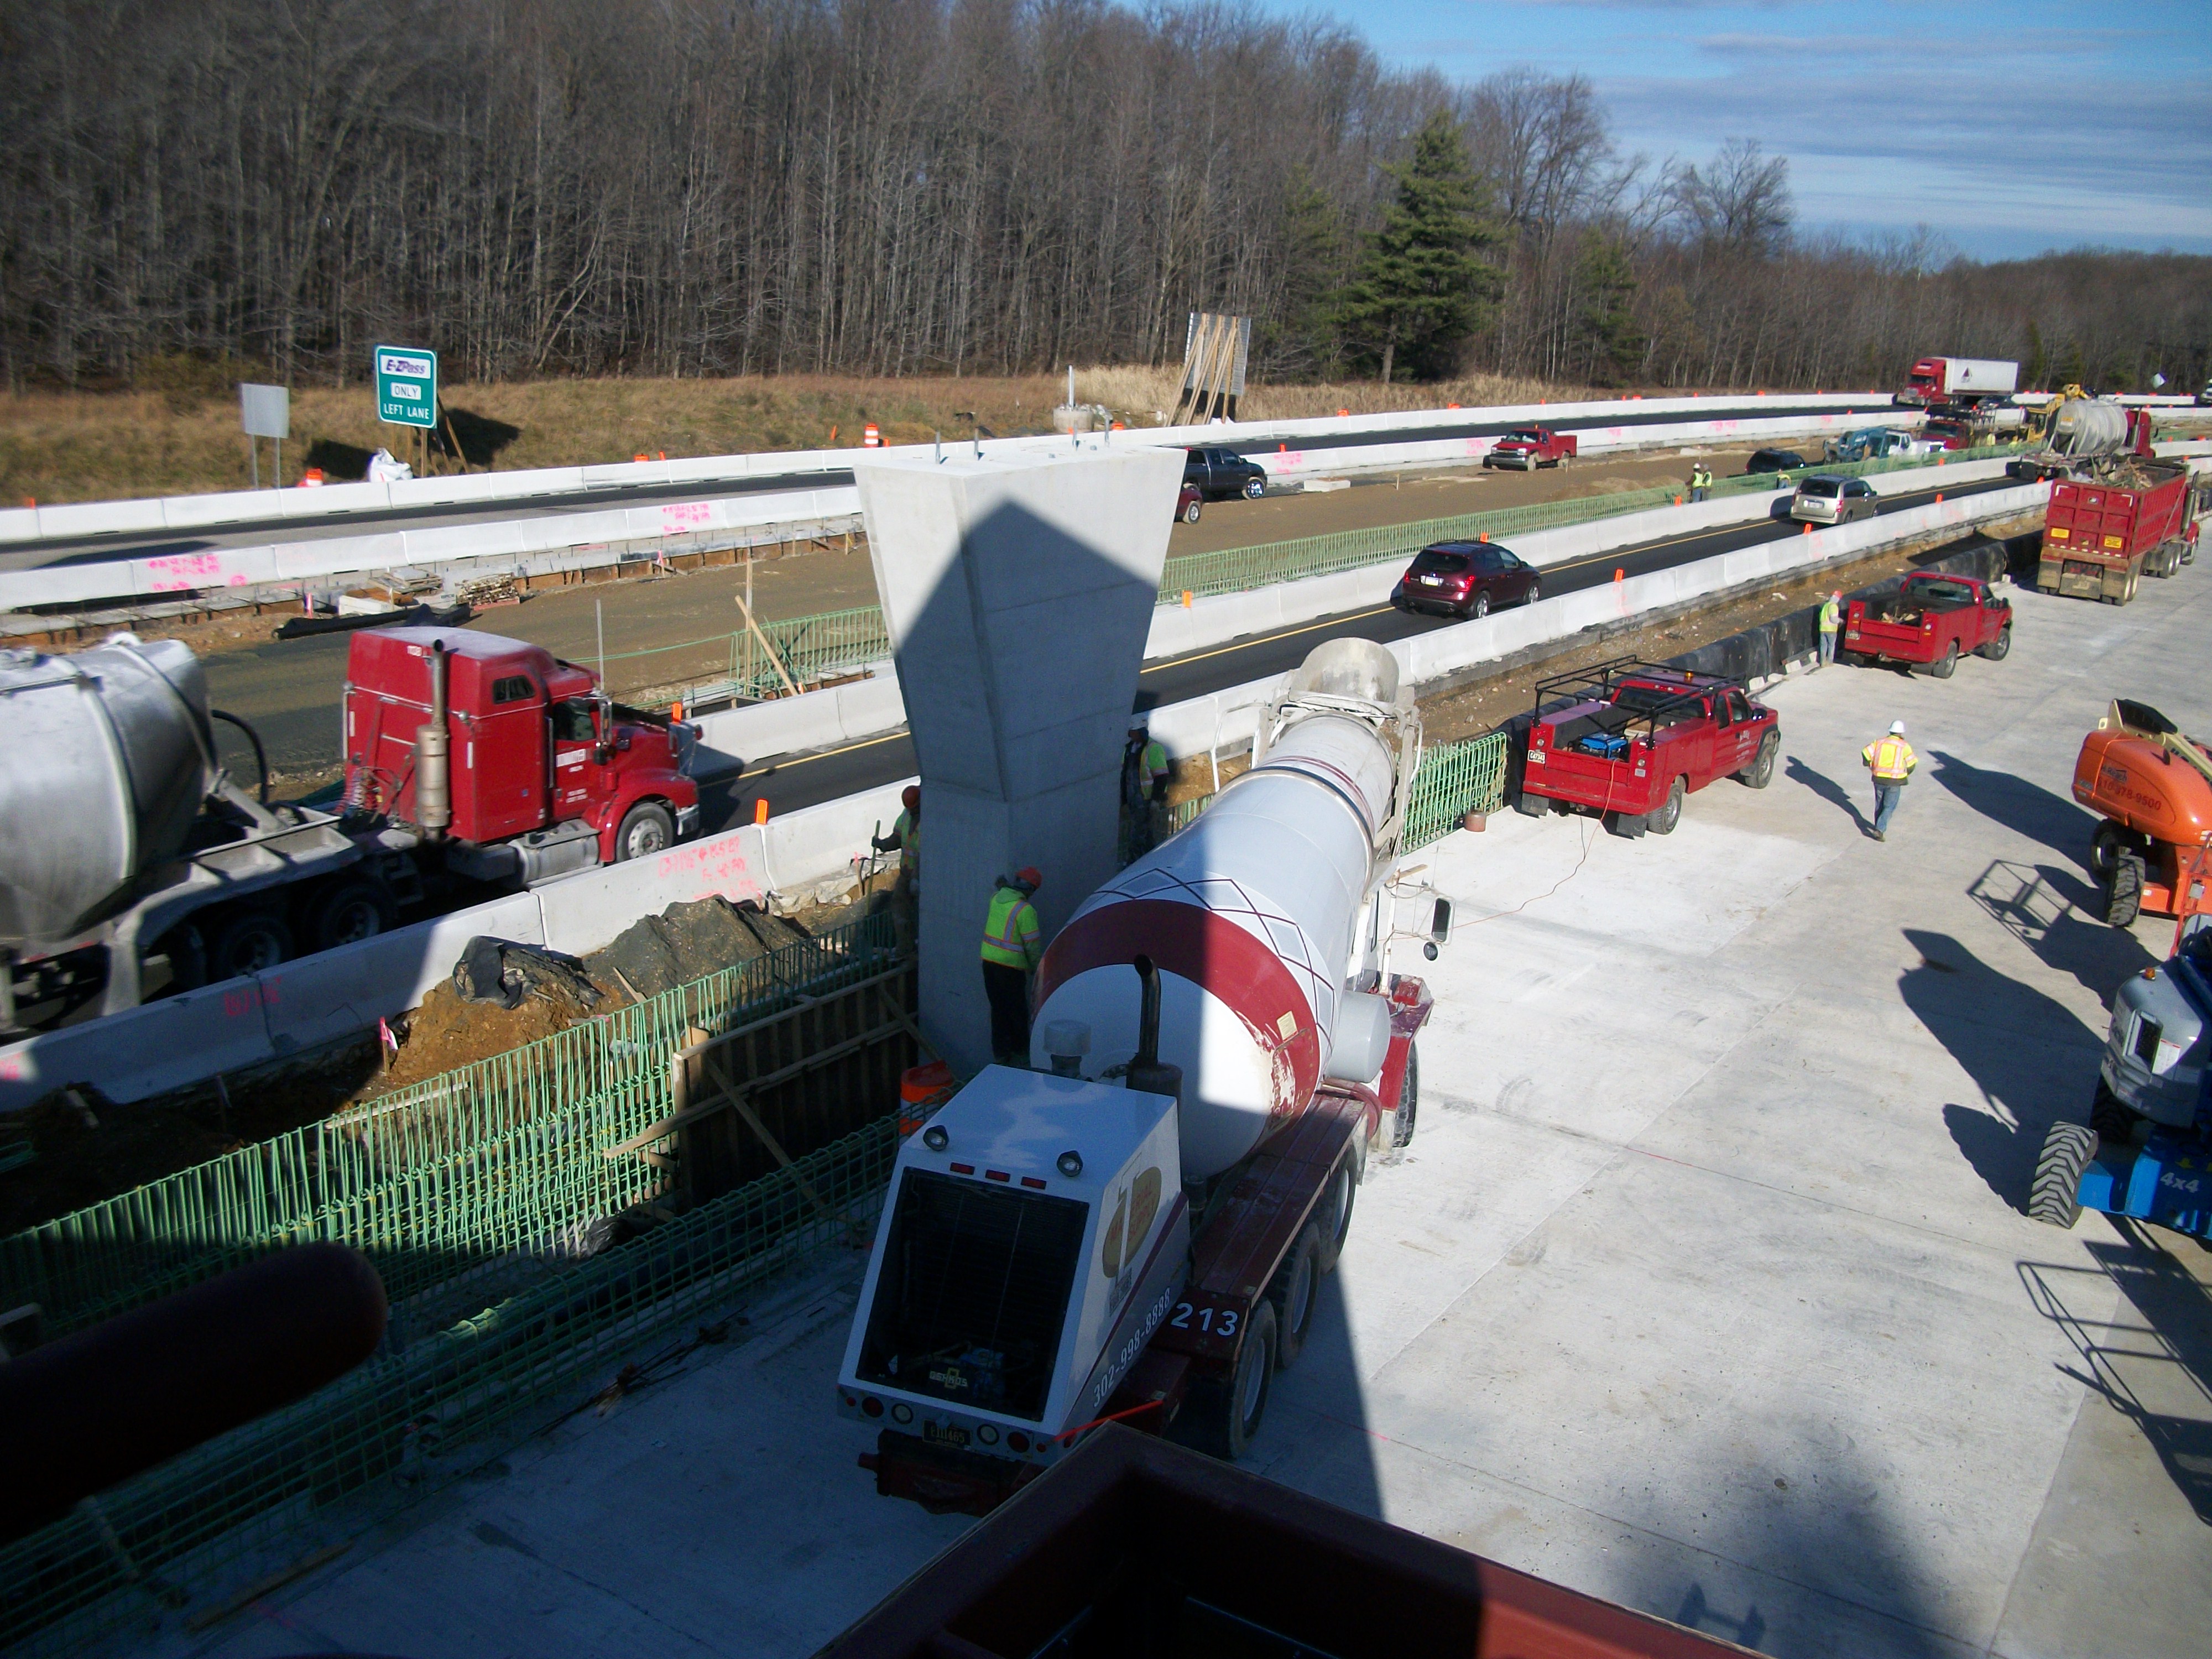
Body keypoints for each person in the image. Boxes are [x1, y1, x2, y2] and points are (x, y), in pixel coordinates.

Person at [980, 867, 1045, 1064]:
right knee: (1017, 1012)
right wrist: (1035, 968)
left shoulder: (996, 898)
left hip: (989, 964)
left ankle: (1000, 1055)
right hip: (1010, 968)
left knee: (998, 1010)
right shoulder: (1025, 911)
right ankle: (1020, 1055)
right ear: (1032, 890)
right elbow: (1032, 945)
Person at [872, 784, 920, 954]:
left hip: (923, 877)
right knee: (900, 908)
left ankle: (921, 943)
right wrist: (883, 844)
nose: (913, 812)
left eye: (915, 809)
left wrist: (917, 877)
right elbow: (898, 838)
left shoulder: (931, 819)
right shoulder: (906, 815)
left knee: (921, 911)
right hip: (906, 873)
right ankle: (905, 946)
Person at [1119, 712, 1171, 865]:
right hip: (1134, 799)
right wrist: (1124, 801)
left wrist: (1155, 800)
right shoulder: (1129, 749)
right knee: (1145, 834)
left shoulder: (1153, 749)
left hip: (1146, 800)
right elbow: (1125, 776)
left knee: (1139, 834)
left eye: (1134, 732)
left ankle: (1135, 862)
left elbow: (1161, 777)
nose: (1132, 735)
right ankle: (1149, 861)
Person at [1861, 720, 1917, 841]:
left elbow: (1865, 753)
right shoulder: (1904, 746)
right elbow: (1912, 764)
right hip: (1895, 781)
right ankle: (1880, 830)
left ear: (1890, 730)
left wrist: (1868, 764)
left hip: (1878, 779)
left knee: (1879, 804)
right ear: (1901, 733)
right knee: (1890, 806)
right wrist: (1906, 773)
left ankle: (1878, 827)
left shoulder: (1879, 742)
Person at [1818, 591, 1843, 667]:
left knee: (1823, 646)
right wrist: (1840, 621)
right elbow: (1833, 619)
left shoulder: (1826, 605)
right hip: (1831, 630)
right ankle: (1829, 662)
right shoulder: (1834, 606)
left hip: (1823, 629)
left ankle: (1823, 662)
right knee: (1831, 646)